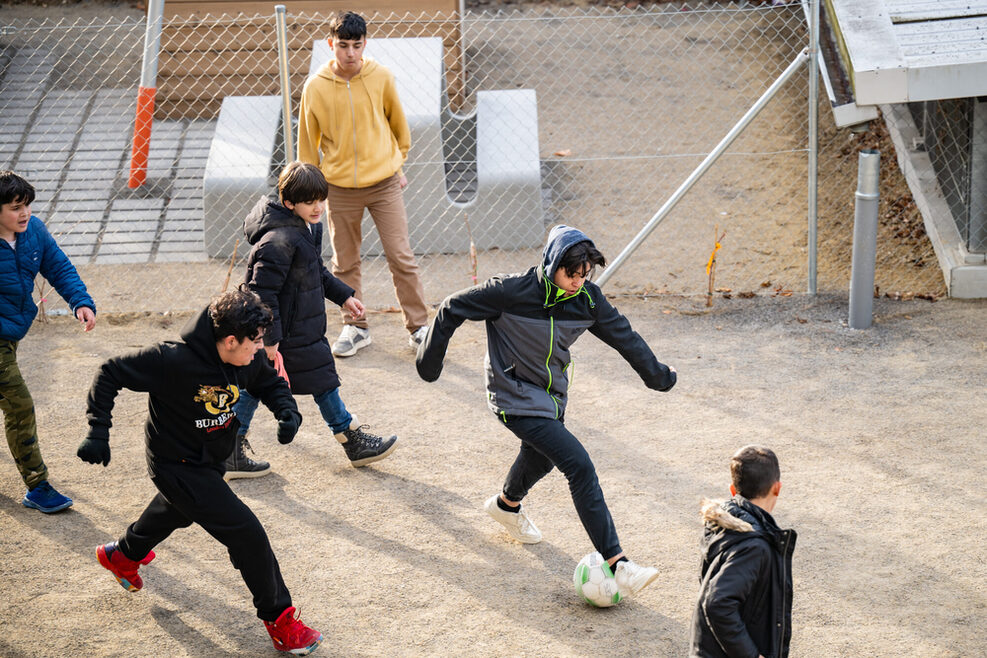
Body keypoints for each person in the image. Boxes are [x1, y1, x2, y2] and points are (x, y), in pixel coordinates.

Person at [416, 224, 676, 598]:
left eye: (585, 274)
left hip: (551, 397)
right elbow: (451, 307)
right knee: (579, 465)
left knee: (541, 458)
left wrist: (658, 376)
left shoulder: (587, 299)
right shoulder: (508, 292)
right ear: (553, 264)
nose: (578, 282)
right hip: (512, 396)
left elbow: (624, 337)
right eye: (571, 274)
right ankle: (618, 564)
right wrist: (429, 364)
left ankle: (506, 505)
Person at [77, 287, 322, 656]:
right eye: (254, 342)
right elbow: (109, 372)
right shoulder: (171, 360)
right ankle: (280, 621)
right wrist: (98, 430)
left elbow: (267, 380)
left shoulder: (246, 354)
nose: (260, 348)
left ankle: (123, 555)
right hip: (175, 465)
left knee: (177, 510)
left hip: (210, 459)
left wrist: (287, 410)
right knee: (247, 534)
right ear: (229, 340)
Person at [224, 161, 397, 479]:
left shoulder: (306, 226)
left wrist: (344, 296)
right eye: (309, 201)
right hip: (283, 333)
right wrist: (269, 340)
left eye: (321, 199)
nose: (318, 208)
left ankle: (229, 448)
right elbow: (261, 293)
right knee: (276, 383)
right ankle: (350, 440)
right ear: (289, 202)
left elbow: (315, 271)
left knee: (303, 381)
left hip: (300, 328)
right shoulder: (277, 241)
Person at [297, 10, 429, 357]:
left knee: (401, 256)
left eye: (356, 45)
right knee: (345, 263)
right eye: (343, 45)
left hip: (384, 184)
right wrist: (312, 195)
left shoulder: (381, 77)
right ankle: (356, 328)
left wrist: (396, 165)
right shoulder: (315, 87)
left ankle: (419, 328)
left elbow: (400, 130)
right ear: (331, 44)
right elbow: (307, 147)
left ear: (365, 44)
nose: (350, 53)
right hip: (339, 189)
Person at [0, 170, 96, 514]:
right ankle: (37, 485)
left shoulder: (34, 232)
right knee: (19, 405)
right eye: (15, 207)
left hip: (10, 333)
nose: (25, 213)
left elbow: (58, 267)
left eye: (27, 205)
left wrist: (80, 301)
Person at [689, 445, 796, 658]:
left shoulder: (723, 523)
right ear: (777, 488)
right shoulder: (753, 546)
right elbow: (718, 603)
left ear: (733, 490)